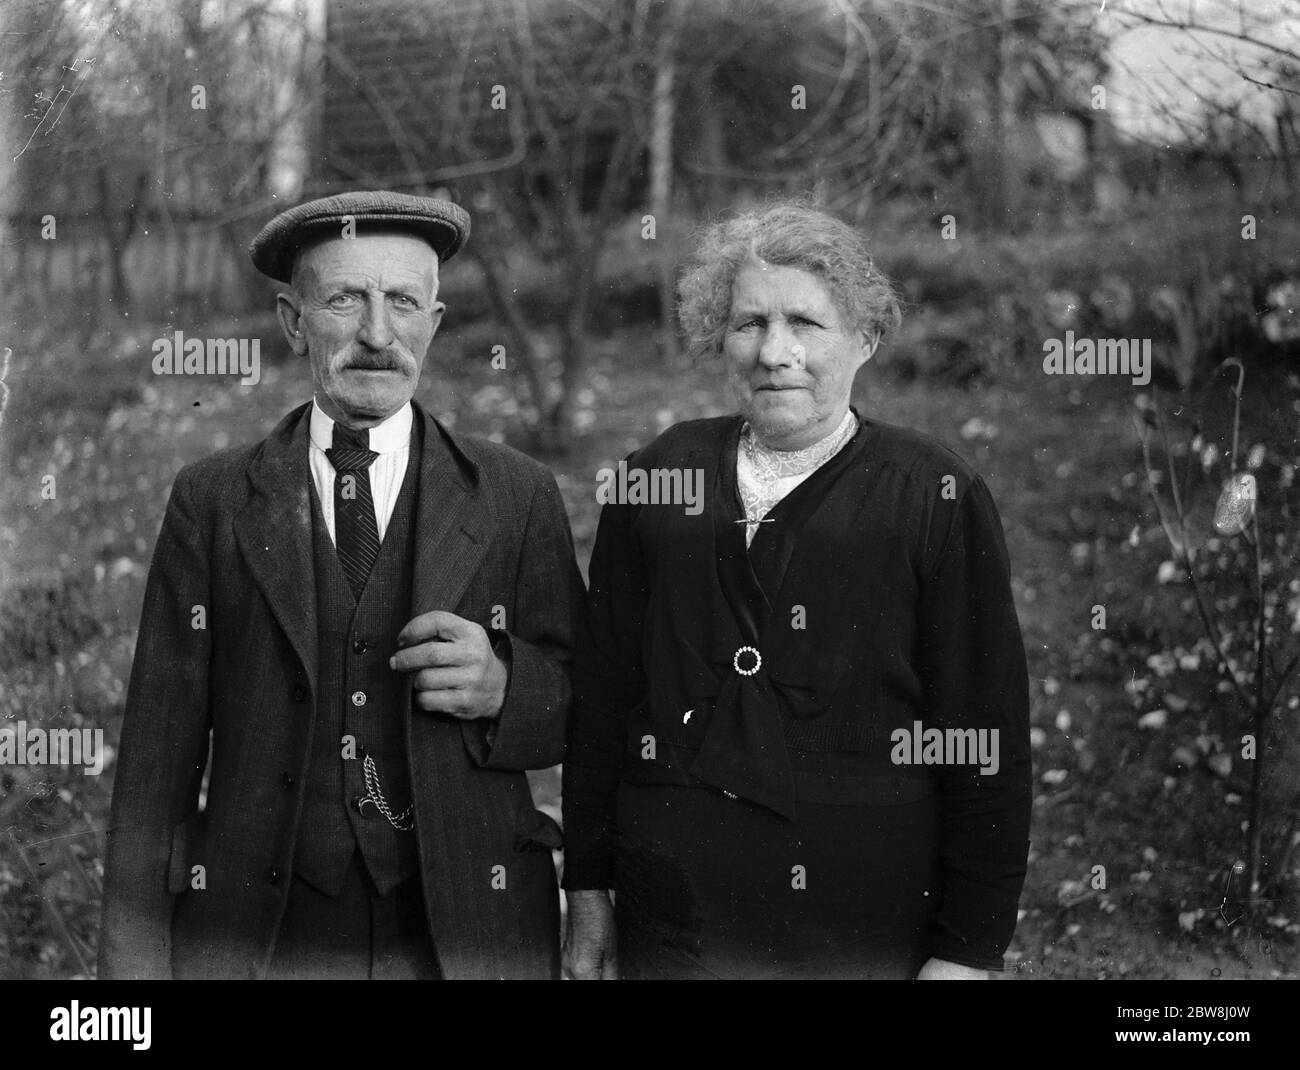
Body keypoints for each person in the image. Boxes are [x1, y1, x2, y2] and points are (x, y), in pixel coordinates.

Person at [98, 190, 582, 979]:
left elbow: (584, 707)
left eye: (402, 303)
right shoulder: (214, 500)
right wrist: (133, 986)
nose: (377, 335)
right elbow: (158, 758)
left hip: (465, 933)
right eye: (345, 300)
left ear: (435, 321)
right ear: (293, 322)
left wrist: (504, 683)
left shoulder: (514, 493)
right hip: (267, 936)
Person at [561, 200, 1031, 980]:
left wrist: (967, 953)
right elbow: (603, 701)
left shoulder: (933, 493)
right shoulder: (655, 477)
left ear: (866, 339)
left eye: (806, 325)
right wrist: (587, 883)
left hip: (862, 927)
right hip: (676, 922)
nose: (775, 353)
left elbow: (984, 736)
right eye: (749, 323)